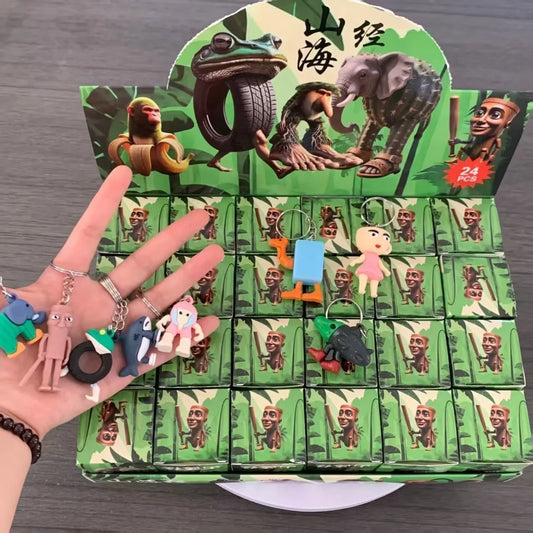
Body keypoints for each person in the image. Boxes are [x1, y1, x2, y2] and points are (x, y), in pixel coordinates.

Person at [0, 166, 224, 531]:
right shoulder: (54, 326)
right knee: (49, 362)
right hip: (56, 349)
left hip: (73, 350)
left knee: (56, 362)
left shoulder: (87, 337)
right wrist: (13, 408)